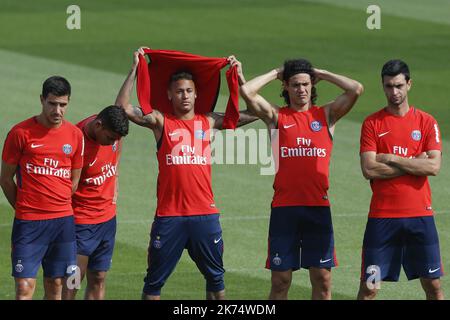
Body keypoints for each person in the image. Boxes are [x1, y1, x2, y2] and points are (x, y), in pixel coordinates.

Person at [115, 48, 258, 300]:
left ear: (196, 94)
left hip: (205, 215)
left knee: (216, 280)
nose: (184, 96)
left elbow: (255, 112)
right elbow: (122, 108)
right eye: (179, 91)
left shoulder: (209, 121)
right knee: (153, 284)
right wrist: (135, 68)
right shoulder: (160, 122)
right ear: (169, 94)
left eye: (189, 91)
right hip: (170, 216)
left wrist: (240, 78)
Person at [240, 59, 363, 300]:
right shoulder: (276, 117)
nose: (302, 90)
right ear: (286, 87)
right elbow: (247, 91)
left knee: (322, 279)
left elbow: (355, 89)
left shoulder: (326, 115)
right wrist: (276, 72)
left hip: (317, 209)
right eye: (295, 84)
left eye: (306, 84)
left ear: (312, 85)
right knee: (280, 282)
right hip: (285, 210)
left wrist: (322, 72)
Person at [357, 59, 444, 300]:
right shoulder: (372, 123)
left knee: (433, 284)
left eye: (398, 86)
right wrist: (414, 163)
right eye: (388, 86)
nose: (393, 92)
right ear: (383, 86)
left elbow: (434, 166)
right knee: (370, 287)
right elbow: (369, 170)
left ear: (409, 84)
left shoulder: (426, 122)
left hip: (420, 217)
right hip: (383, 218)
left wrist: (392, 158)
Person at [0, 76, 84, 300]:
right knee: (24, 287)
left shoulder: (75, 135)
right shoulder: (20, 133)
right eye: (52, 103)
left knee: (56, 284)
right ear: (42, 100)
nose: (58, 110)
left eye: (63, 105)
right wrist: (24, 206)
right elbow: (6, 179)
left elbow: (74, 181)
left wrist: (57, 204)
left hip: (62, 222)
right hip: (29, 223)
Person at [62, 105, 129, 300]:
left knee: (99, 278)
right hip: (81, 222)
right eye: (110, 139)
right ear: (98, 125)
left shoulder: (111, 123)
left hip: (107, 220)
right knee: (73, 280)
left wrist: (115, 173)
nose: (112, 144)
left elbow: (121, 106)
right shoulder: (75, 141)